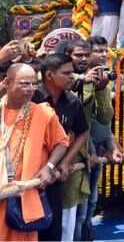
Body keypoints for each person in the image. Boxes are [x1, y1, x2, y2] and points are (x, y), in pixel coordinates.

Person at [0, 63, 70, 242]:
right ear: (6, 82)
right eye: (24, 84)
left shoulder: (43, 113)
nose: (31, 89)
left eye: (33, 84)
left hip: (23, 196)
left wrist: (49, 166)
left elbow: (62, 142)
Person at [32, 54, 89, 242]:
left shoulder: (73, 102)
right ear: (49, 75)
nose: (72, 77)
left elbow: (82, 132)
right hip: (27, 175)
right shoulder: (31, 97)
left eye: (73, 73)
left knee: (52, 229)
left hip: (53, 176)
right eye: (67, 73)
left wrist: (65, 162)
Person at [73, 36, 116, 241]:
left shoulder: (102, 79)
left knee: (91, 202)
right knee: (78, 209)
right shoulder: (75, 79)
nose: (103, 55)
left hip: (94, 150)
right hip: (76, 153)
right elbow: (80, 121)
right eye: (97, 51)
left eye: (105, 51)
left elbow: (105, 118)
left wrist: (101, 90)